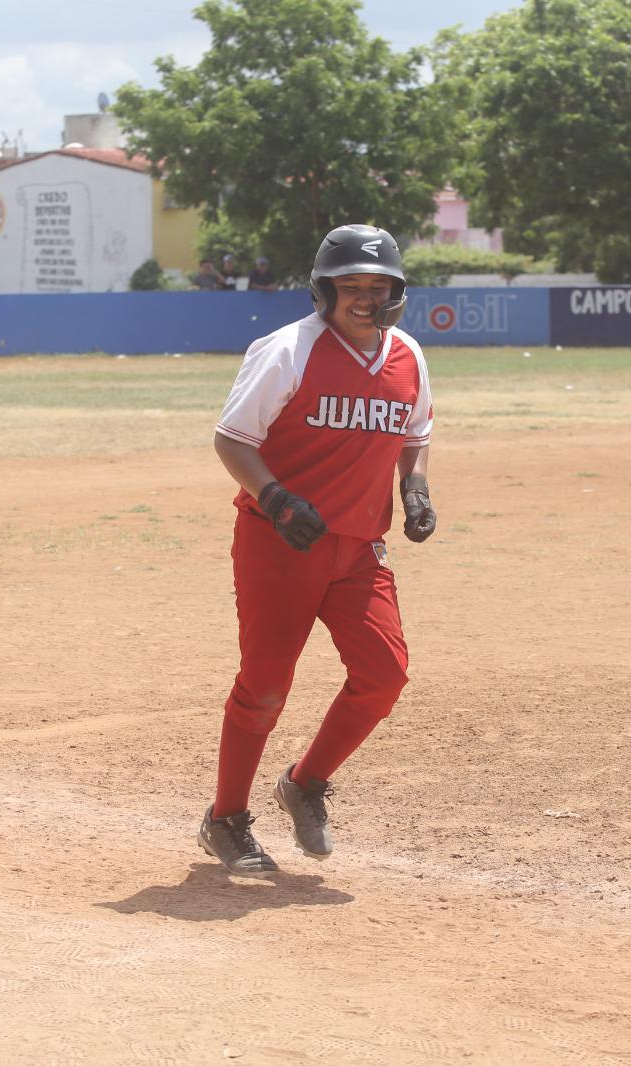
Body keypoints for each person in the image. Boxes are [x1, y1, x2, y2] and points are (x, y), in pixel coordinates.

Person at [200, 224, 437, 875]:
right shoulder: (287, 350)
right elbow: (232, 439)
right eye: (349, 286)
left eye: (377, 286)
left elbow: (415, 431)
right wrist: (275, 499)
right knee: (267, 686)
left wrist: (414, 490)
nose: (364, 297)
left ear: (397, 292)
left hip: (359, 548)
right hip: (280, 544)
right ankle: (226, 818)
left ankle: (304, 783)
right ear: (323, 291)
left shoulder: (408, 355)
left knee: (384, 674)